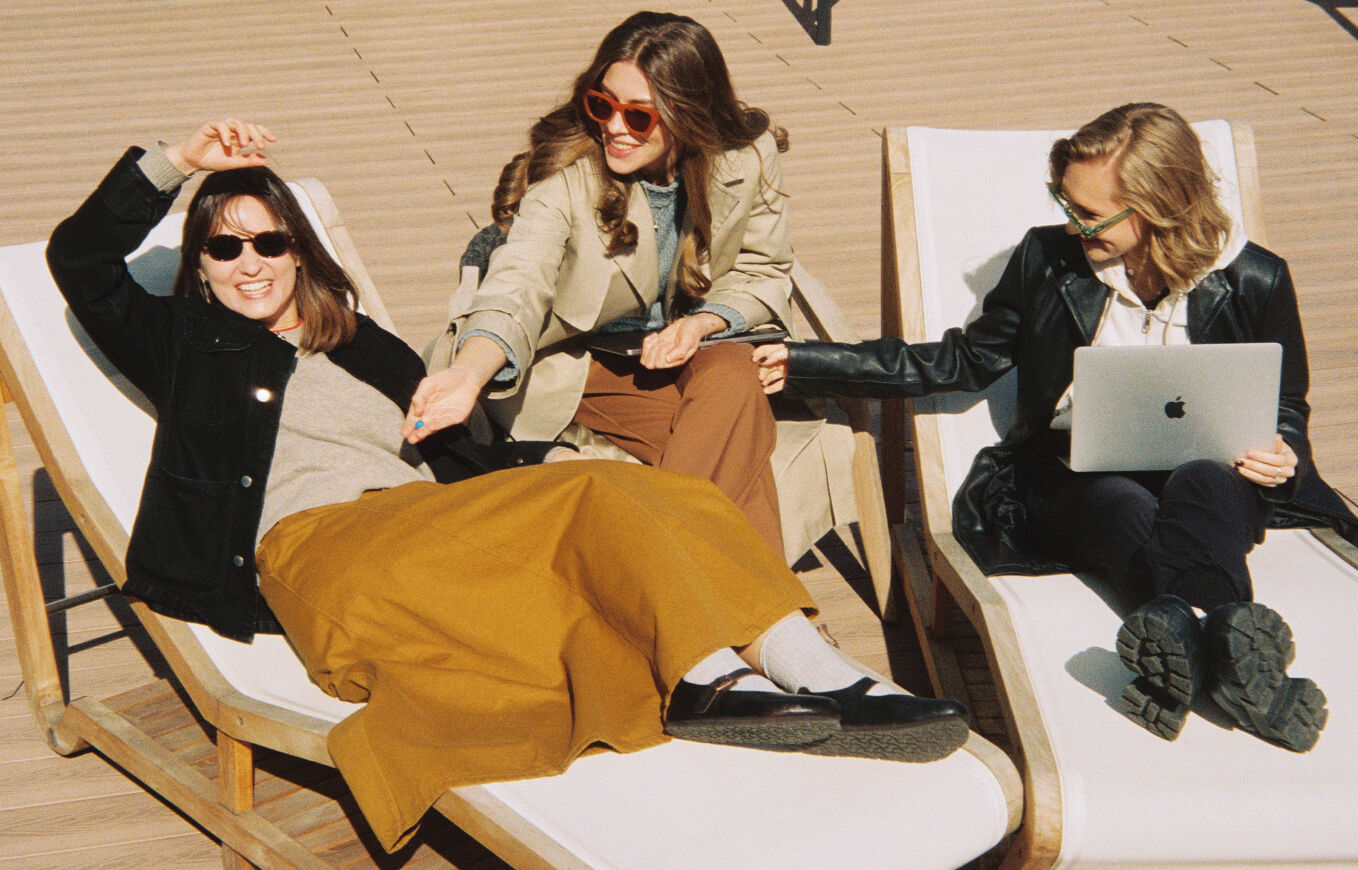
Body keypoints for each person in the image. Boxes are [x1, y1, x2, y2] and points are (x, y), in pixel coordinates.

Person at [47, 120, 969, 852]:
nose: (248, 262)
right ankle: (718, 678)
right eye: (223, 247)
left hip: (428, 525)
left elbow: (459, 453)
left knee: (660, 497)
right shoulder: (182, 344)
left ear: (299, 250)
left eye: (268, 240)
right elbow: (81, 261)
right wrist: (180, 162)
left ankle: (813, 677)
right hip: (322, 549)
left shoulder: (361, 343)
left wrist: (524, 465)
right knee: (594, 502)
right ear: (201, 265)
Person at [756, 103, 1357, 752]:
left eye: (1090, 214)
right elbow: (963, 359)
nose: (1072, 224)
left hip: (1214, 469)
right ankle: (1232, 653)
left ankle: (1186, 640)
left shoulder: (1254, 277)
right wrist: (807, 362)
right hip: (1071, 472)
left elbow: (1285, 402)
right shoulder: (1047, 259)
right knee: (1121, 505)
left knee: (1206, 486)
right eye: (1064, 202)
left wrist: (1285, 451)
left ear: (1159, 206)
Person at [406, 11, 793, 555]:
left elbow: (763, 267)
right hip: (580, 358)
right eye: (602, 104)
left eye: (638, 115)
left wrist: (703, 324)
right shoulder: (565, 179)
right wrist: (468, 374)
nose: (613, 126)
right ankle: (734, 593)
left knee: (733, 375)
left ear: (688, 114)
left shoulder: (746, 155)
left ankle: (672, 576)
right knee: (738, 436)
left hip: (684, 347)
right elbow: (517, 284)